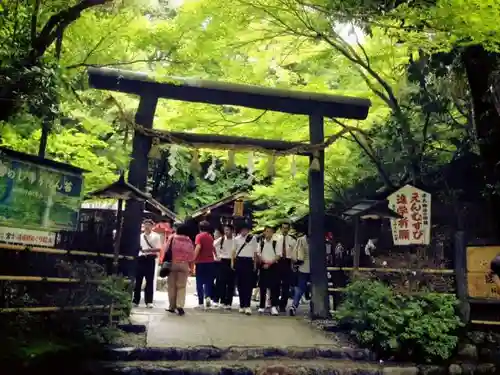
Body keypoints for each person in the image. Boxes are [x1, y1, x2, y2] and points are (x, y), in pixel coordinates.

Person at [161, 223, 195, 316]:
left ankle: (172, 306)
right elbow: (192, 255)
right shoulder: (189, 241)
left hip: (172, 264)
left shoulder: (172, 238)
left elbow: (166, 249)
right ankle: (179, 305)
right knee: (182, 286)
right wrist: (191, 267)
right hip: (184, 265)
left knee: (172, 286)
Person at [133, 219, 162, 308]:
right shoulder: (140, 236)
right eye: (145, 224)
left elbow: (158, 248)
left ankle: (149, 301)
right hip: (141, 258)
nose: (147, 226)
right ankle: (135, 300)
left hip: (150, 258)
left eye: (149, 225)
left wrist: (147, 250)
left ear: (152, 226)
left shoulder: (156, 236)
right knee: (138, 280)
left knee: (149, 280)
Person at [233, 222, 258, 315]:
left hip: (249, 261)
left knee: (248, 284)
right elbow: (234, 251)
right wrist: (232, 263)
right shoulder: (236, 239)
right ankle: (241, 305)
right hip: (240, 261)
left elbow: (255, 252)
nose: (244, 231)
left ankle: (247, 305)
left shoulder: (253, 238)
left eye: (246, 230)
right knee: (240, 284)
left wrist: (255, 263)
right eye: (242, 229)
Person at [257, 226, 280, 316]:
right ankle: (262, 306)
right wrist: (263, 262)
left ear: (272, 233)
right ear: (264, 232)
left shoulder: (275, 243)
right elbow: (258, 254)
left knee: (274, 286)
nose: (268, 233)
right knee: (262, 287)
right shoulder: (261, 243)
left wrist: (270, 263)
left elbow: (278, 255)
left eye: (270, 232)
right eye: (267, 231)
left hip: (273, 266)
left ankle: (273, 306)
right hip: (263, 266)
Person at [194, 220, 217, 309]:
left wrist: (193, 258)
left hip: (201, 262)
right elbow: (213, 248)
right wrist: (216, 256)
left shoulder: (199, 236)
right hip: (210, 262)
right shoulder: (210, 237)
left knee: (199, 282)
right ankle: (207, 296)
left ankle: (200, 303)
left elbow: (198, 247)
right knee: (208, 281)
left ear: (199, 228)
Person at [213, 224, 236, 309]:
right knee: (221, 282)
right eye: (225, 230)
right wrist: (217, 255)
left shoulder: (235, 240)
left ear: (232, 231)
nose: (226, 232)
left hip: (232, 261)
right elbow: (213, 245)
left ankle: (228, 302)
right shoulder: (222, 239)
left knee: (231, 283)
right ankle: (221, 300)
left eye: (228, 230)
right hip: (223, 261)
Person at [275, 222, 297, 312]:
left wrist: (293, 264)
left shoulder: (292, 240)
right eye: (283, 228)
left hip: (287, 262)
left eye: (286, 228)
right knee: (276, 284)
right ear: (281, 229)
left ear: (289, 229)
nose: (285, 230)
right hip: (277, 261)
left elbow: (294, 253)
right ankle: (275, 303)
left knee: (286, 285)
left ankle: (283, 305)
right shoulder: (276, 239)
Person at [289, 230, 310, 316]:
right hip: (314, 268)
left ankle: (294, 306)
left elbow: (294, 253)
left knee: (300, 287)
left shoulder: (300, 240)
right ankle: (314, 307)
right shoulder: (318, 239)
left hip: (303, 267)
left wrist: (294, 264)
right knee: (313, 287)